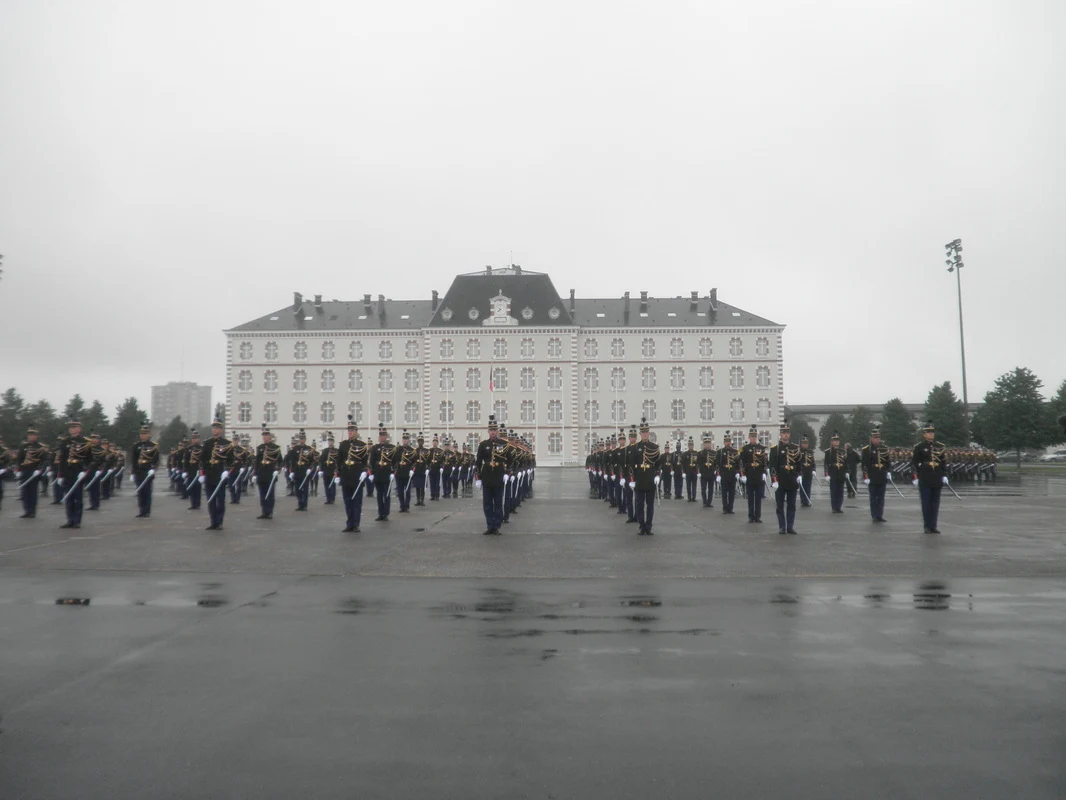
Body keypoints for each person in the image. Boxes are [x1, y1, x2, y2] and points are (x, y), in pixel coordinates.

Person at [56, 418, 92, 529]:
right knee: (68, 497)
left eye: (74, 427)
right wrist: (60, 475)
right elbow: (62, 460)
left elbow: (89, 459)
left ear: (79, 428)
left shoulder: (85, 442)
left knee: (78, 498)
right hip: (67, 472)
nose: (72, 429)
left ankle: (77, 521)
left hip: (78, 472)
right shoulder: (65, 442)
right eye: (71, 427)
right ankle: (70, 520)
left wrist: (84, 471)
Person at [198, 420, 235, 531]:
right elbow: (202, 460)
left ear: (221, 430)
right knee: (211, 500)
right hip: (209, 474)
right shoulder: (207, 443)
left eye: (217, 428)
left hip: (220, 475)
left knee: (220, 500)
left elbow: (231, 461)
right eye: (213, 428)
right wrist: (201, 474)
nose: (215, 430)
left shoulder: (227, 444)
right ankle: (213, 522)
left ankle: (219, 521)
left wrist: (227, 471)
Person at [911, 421, 947, 534]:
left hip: (936, 477)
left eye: (932, 432)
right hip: (925, 477)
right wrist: (915, 477)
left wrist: (945, 475)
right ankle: (927, 526)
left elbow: (943, 462)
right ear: (924, 434)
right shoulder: (919, 447)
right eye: (928, 432)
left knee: (935, 503)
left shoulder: (940, 446)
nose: (931, 434)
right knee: (926, 503)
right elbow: (914, 463)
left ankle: (933, 526)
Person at [475, 415, 508, 535]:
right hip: (487, 477)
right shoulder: (483, 444)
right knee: (487, 503)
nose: (493, 432)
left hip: (498, 476)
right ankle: (490, 525)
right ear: (488, 431)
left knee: (498, 502)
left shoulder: (503, 444)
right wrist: (478, 477)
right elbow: (478, 462)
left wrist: (507, 472)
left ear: (497, 431)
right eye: (491, 430)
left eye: (495, 430)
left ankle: (497, 526)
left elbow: (507, 459)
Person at [337, 415, 369, 532]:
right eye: (349, 430)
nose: (350, 432)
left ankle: (356, 524)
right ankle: (349, 523)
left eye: (352, 430)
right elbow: (339, 461)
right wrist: (337, 474)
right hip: (346, 476)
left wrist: (364, 472)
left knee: (356, 502)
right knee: (347, 502)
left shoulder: (362, 445)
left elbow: (366, 461)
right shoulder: (343, 445)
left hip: (357, 477)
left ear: (356, 431)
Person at [631, 418, 662, 535]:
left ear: (649, 433)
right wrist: (632, 480)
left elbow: (658, 464)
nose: (644, 434)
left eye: (646, 432)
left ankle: (648, 526)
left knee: (650, 506)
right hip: (639, 479)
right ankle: (641, 525)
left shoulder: (654, 447)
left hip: (650, 480)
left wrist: (657, 476)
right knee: (639, 505)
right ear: (640, 434)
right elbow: (631, 465)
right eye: (642, 432)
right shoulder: (635, 447)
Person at [769, 421, 801, 534]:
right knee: (780, 505)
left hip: (792, 479)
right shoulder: (775, 449)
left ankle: (790, 526)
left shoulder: (795, 448)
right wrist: (774, 480)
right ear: (780, 434)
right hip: (781, 480)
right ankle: (782, 526)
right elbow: (772, 466)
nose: (786, 435)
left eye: (787, 432)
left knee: (792, 505)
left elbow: (798, 464)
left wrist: (799, 475)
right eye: (784, 433)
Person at [15, 425, 48, 519]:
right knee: (25, 492)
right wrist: (18, 470)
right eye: (29, 435)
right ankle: (26, 511)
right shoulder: (23, 446)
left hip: (34, 472)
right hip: (25, 471)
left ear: (36, 436)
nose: (31, 436)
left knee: (33, 492)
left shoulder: (41, 447)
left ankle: (32, 511)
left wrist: (40, 469)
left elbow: (45, 460)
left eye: (33, 435)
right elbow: (19, 459)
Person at [253, 423, 283, 519]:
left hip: (270, 473)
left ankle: (269, 512)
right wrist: (255, 473)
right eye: (263, 435)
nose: (264, 437)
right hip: (261, 473)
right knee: (262, 494)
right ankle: (264, 512)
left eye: (266, 435)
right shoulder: (260, 448)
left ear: (270, 436)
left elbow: (280, 461)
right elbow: (257, 462)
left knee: (270, 494)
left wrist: (277, 470)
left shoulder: (275, 448)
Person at [130, 424, 160, 518]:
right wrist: (133, 472)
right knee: (140, 492)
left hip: (148, 472)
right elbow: (134, 460)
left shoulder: (153, 446)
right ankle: (141, 510)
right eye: (141, 434)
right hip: (138, 472)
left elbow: (156, 459)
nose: (143, 435)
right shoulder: (136, 446)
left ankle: (147, 511)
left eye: (145, 434)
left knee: (147, 492)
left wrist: (153, 469)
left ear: (148, 435)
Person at [861, 427, 890, 522]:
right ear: (871, 439)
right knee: (873, 497)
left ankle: (880, 515)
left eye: (878, 438)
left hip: (882, 475)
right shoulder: (867, 449)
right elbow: (864, 464)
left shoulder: (884, 448)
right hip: (872, 476)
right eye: (875, 438)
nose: (877, 439)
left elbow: (887, 462)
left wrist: (889, 471)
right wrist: (866, 476)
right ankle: (874, 515)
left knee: (881, 497)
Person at [739, 426, 767, 523]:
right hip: (750, 475)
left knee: (758, 498)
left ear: (757, 437)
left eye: (755, 437)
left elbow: (764, 462)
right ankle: (751, 516)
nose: (753, 438)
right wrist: (743, 474)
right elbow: (742, 462)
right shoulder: (745, 449)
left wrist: (764, 472)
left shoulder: (761, 448)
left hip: (759, 475)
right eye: (752, 437)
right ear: (749, 437)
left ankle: (757, 516)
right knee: (750, 497)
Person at [369, 424, 396, 521]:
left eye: (384, 435)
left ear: (386, 437)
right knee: (379, 495)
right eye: (381, 436)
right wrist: (371, 473)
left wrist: (393, 472)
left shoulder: (392, 447)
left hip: (387, 474)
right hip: (378, 474)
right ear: (379, 437)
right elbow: (371, 461)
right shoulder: (375, 448)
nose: (382, 437)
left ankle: (386, 513)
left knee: (387, 494)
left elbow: (395, 461)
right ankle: (380, 513)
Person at [285, 429, 316, 512]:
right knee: (298, 489)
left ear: (305, 439)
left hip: (305, 471)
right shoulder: (295, 449)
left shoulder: (309, 449)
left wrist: (310, 469)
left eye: (303, 438)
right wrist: (291, 471)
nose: (301, 440)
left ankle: (304, 504)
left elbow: (313, 460)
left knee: (305, 489)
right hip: (297, 470)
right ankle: (300, 504)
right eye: (300, 438)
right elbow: (291, 460)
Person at [393, 430, 416, 512]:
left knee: (407, 491)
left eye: (406, 439)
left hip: (407, 472)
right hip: (399, 472)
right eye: (404, 439)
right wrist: (394, 470)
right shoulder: (398, 449)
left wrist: (412, 470)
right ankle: (402, 505)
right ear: (402, 440)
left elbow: (414, 461)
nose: (405, 440)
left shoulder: (412, 450)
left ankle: (407, 505)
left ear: (408, 440)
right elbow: (395, 460)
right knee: (400, 491)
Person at [824, 433, 848, 514]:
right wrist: (827, 474)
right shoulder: (829, 452)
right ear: (832, 442)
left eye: (837, 440)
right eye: (834, 440)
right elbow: (826, 464)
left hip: (841, 473)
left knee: (840, 491)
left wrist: (847, 472)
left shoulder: (843, 451)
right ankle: (834, 507)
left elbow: (846, 463)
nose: (836, 442)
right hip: (833, 473)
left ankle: (839, 507)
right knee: (834, 491)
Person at [717, 434, 739, 514]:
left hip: (732, 474)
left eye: (729, 441)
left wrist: (737, 472)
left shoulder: (735, 452)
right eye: (726, 442)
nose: (728, 443)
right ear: (724, 442)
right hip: (724, 474)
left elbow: (737, 463)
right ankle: (725, 508)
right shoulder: (720, 452)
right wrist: (718, 474)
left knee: (732, 492)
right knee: (724, 492)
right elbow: (717, 464)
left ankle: (730, 508)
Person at [182, 430, 204, 511]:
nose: (194, 440)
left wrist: (202, 471)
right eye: (193, 438)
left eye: (196, 438)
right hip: (190, 471)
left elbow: (203, 461)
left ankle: (197, 504)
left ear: (199, 439)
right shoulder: (188, 449)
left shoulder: (202, 448)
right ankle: (193, 504)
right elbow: (185, 460)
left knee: (197, 488)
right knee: (191, 488)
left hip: (197, 471)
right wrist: (184, 471)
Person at [319, 433, 339, 505]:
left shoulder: (336, 451)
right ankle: (328, 498)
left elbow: (338, 461)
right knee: (326, 485)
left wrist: (337, 470)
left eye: (331, 441)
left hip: (332, 470)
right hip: (326, 470)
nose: (330, 442)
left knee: (332, 485)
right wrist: (320, 470)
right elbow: (321, 460)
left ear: (333, 442)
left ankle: (332, 498)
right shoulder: (325, 451)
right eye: (329, 441)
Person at [698, 435, 716, 508]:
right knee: (703, 489)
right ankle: (704, 501)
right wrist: (699, 472)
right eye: (706, 443)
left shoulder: (714, 453)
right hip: (704, 473)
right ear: (704, 444)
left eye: (709, 443)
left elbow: (716, 463)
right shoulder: (700, 453)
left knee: (711, 489)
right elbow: (698, 463)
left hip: (711, 473)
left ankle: (709, 502)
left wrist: (716, 471)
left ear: (710, 444)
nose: (707, 444)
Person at [798, 436, 815, 507]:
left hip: (809, 472)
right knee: (802, 487)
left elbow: (813, 462)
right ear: (801, 444)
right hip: (802, 472)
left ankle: (807, 500)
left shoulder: (810, 452)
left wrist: (814, 470)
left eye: (806, 443)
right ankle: (803, 501)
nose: (805, 444)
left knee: (808, 487)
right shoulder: (798, 452)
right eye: (803, 443)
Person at [412, 433, 429, 506]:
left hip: (423, 470)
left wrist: (428, 468)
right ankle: (418, 499)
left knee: (422, 486)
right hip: (417, 470)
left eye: (421, 441)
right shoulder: (415, 450)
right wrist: (412, 468)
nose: (420, 442)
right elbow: (413, 460)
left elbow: (428, 460)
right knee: (417, 486)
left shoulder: (426, 451)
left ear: (423, 442)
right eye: (419, 441)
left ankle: (422, 500)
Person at [682, 437, 700, 502]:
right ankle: (689, 497)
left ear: (693, 445)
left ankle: (694, 497)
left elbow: (698, 463)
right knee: (688, 485)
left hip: (694, 471)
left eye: (691, 445)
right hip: (688, 471)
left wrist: (698, 472)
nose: (691, 446)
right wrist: (683, 472)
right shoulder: (685, 454)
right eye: (689, 445)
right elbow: (683, 463)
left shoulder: (696, 453)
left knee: (694, 485)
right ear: (688, 446)